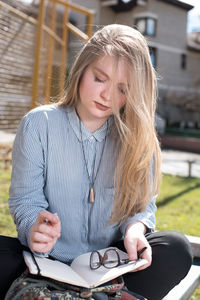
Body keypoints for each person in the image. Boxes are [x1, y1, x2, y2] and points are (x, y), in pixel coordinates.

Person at [0, 24, 192, 300]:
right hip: (45, 261)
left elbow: (142, 207)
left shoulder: (138, 137)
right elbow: (25, 200)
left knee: (175, 248)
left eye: (123, 89)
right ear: (81, 69)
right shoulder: (38, 124)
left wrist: (136, 229)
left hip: (110, 265)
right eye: (100, 78)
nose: (107, 96)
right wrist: (35, 227)